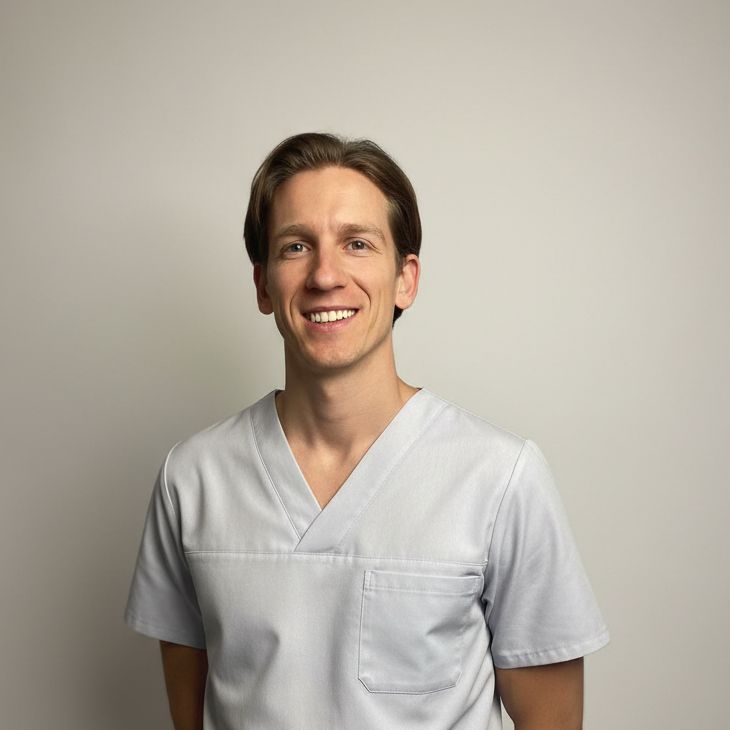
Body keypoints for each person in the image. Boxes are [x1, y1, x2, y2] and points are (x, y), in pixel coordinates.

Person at [125, 132, 610, 729]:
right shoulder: (192, 478)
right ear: (263, 285)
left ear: (406, 278)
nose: (325, 275)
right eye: (296, 246)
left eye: (357, 243)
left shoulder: (499, 477)